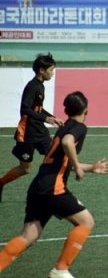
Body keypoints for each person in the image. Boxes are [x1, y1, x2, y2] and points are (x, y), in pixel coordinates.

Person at [0, 91, 108, 278]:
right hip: (54, 188)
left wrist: (91, 167)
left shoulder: (64, 127)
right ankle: (60, 269)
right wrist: (77, 167)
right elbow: (69, 144)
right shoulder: (79, 127)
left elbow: (60, 159)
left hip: (38, 187)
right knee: (86, 222)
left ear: (66, 110)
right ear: (86, 111)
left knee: (28, 236)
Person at [0, 53, 63, 203]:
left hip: (40, 132)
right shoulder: (32, 86)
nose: (53, 73)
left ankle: (53, 192)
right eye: (51, 70)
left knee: (55, 157)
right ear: (42, 70)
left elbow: (38, 109)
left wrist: (51, 117)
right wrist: (45, 118)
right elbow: (25, 109)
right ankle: (0, 183)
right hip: (27, 134)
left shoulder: (40, 86)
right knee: (25, 169)